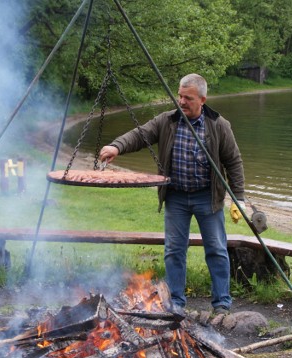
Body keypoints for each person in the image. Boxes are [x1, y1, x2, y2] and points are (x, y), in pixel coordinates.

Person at [100, 73, 245, 315]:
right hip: (176, 197)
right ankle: (175, 303)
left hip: (207, 197)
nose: (181, 102)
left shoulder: (219, 125)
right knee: (174, 250)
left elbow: (234, 162)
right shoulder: (167, 121)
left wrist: (238, 198)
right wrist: (117, 145)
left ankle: (221, 304)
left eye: (187, 98)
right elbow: (140, 134)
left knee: (217, 250)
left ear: (202, 99)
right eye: (179, 96)